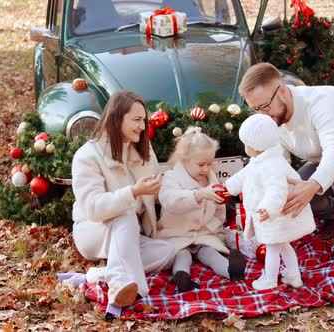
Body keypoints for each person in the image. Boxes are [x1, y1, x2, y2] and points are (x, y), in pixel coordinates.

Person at [238, 63, 334, 264]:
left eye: (265, 107)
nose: (262, 115)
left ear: (283, 91)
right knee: (292, 191)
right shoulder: (271, 120)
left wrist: (312, 186)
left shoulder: (320, 102)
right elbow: (278, 164)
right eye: (255, 109)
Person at [58, 90, 175, 319]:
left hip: (128, 236)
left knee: (166, 251)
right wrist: (133, 192)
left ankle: (100, 275)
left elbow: (154, 195)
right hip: (94, 230)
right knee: (126, 215)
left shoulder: (143, 151)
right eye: (137, 119)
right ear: (117, 117)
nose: (142, 126)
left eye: (144, 120)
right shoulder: (88, 155)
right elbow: (93, 208)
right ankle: (119, 292)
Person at [225, 114, 316, 290]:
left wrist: (268, 209)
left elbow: (277, 191)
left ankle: (270, 279)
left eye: (246, 143)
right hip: (275, 216)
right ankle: (293, 275)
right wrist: (228, 187)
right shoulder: (259, 161)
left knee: (272, 247)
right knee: (283, 245)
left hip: (275, 216)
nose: (245, 147)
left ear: (257, 146)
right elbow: (243, 176)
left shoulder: (272, 166)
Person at [157, 127, 246, 292]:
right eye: (201, 164)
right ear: (184, 160)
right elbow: (170, 201)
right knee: (181, 255)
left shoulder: (211, 179)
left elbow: (219, 211)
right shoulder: (171, 178)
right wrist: (198, 195)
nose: (206, 169)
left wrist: (217, 231)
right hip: (178, 233)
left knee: (210, 253)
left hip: (205, 233)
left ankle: (231, 271)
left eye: (209, 164)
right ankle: (182, 277)